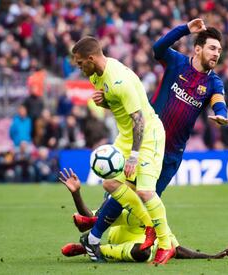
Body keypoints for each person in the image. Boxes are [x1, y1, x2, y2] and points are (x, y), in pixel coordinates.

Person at [84, 18, 228, 257]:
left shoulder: (214, 82)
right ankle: (95, 236)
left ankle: (101, 234)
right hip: (147, 141)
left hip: (172, 154)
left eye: (219, 51)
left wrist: (221, 115)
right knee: (129, 190)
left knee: (142, 202)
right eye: (212, 48)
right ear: (198, 48)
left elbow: (219, 102)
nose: (216, 54)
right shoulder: (176, 63)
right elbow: (158, 49)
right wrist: (185, 29)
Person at [72, 36, 174, 264]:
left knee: (146, 192)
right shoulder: (97, 76)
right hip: (126, 137)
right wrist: (104, 103)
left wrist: (134, 156)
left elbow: (139, 120)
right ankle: (149, 225)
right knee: (110, 183)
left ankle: (165, 245)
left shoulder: (119, 80)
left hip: (148, 136)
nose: (79, 69)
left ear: (91, 58)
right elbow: (119, 105)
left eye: (80, 64)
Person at [59, 168, 228, 262]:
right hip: (117, 235)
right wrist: (76, 193)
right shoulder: (126, 206)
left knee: (143, 253)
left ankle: (87, 248)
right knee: (142, 251)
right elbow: (89, 216)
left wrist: (211, 256)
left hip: (133, 247)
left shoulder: (156, 214)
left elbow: (177, 249)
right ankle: (92, 242)